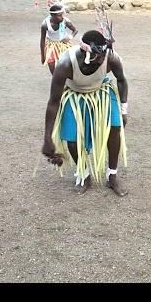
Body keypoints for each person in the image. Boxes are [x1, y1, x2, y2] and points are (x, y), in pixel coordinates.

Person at [42, 29, 129, 196]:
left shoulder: (110, 57)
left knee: (115, 128)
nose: (102, 60)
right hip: (74, 95)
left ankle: (112, 175)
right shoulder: (66, 64)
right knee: (72, 140)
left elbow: (122, 80)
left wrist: (124, 110)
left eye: (104, 55)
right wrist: (47, 139)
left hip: (101, 91)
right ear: (85, 52)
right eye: (98, 57)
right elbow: (53, 102)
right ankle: (84, 174)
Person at [40, 4, 78, 75]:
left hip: (64, 44)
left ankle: (67, 80)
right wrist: (43, 55)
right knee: (51, 64)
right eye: (59, 15)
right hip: (51, 45)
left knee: (67, 63)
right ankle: (56, 80)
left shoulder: (66, 21)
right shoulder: (45, 25)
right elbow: (42, 40)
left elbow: (75, 30)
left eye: (62, 15)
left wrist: (69, 37)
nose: (62, 17)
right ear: (52, 16)